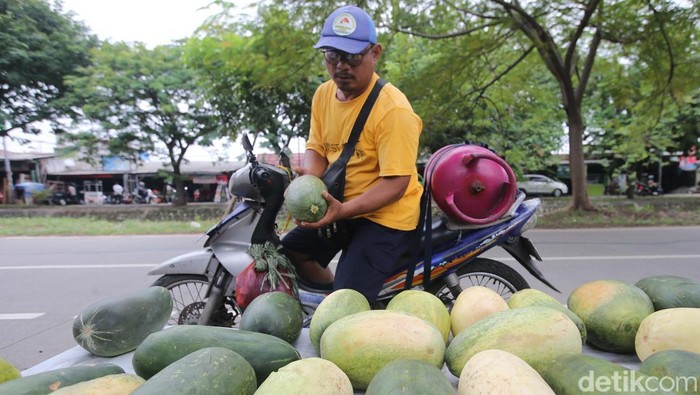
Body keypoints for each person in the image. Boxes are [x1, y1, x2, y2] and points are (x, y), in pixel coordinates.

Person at [280, 5, 423, 303]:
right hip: (340, 206)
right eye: (332, 55)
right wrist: (307, 191)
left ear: (375, 53)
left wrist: (341, 211)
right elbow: (316, 148)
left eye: (352, 56)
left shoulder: (394, 111)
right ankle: (331, 297)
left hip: (385, 217)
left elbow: (396, 184)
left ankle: (348, 308)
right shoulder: (323, 94)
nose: (341, 66)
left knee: (346, 301)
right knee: (289, 252)